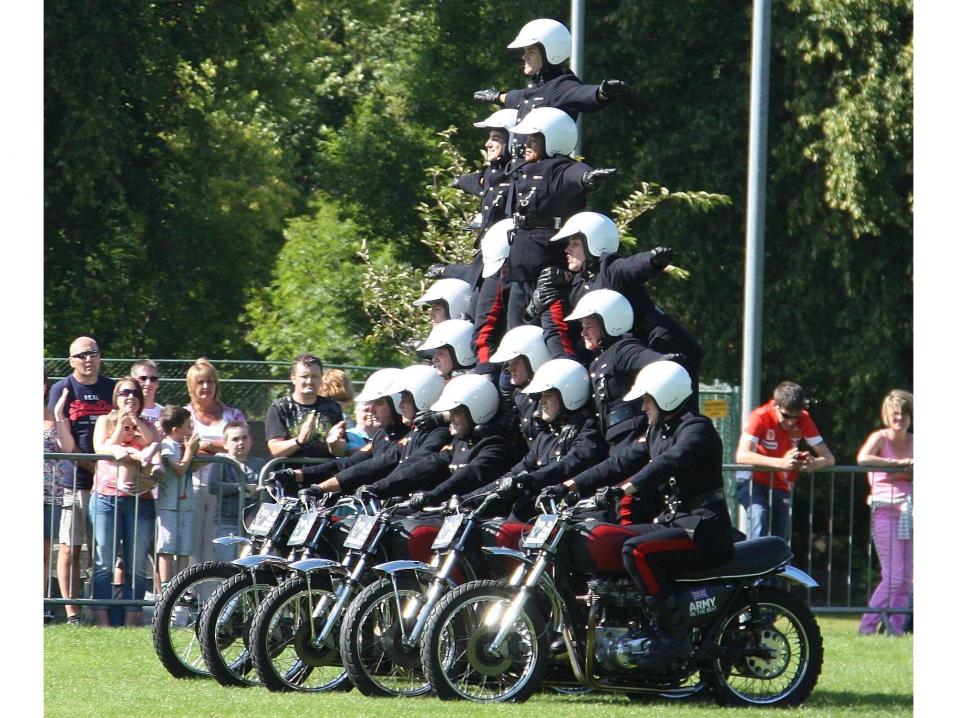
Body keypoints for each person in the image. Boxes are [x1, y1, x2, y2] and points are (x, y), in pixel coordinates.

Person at [564, 361, 735, 670]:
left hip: (704, 528)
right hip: (676, 523)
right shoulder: (658, 430)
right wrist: (572, 484)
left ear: (665, 396)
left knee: (637, 550)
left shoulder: (697, 429)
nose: (643, 407)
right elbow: (619, 462)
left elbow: (669, 462)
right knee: (615, 540)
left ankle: (673, 637)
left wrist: (627, 489)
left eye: (647, 399)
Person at [544, 211, 703, 394]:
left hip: (661, 339)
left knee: (674, 400)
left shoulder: (610, 268)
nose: (567, 250)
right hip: (631, 349)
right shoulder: (579, 283)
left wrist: (652, 260)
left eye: (575, 244)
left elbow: (631, 267)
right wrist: (537, 305)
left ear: (593, 243)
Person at [502, 107, 615, 357]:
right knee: (515, 337)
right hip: (520, 267)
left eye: (533, 139)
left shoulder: (559, 168)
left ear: (551, 140)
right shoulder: (520, 168)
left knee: (555, 337)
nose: (526, 145)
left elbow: (576, 174)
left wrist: (589, 177)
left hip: (548, 269)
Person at [482, 358, 605, 521]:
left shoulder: (588, 431)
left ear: (569, 394)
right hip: (541, 511)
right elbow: (517, 471)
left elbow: (570, 463)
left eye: (548, 395)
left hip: (573, 512)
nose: (541, 401)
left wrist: (531, 480)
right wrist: (472, 496)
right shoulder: (545, 436)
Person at [47, 336, 115, 625]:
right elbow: (62, 436)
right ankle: (72, 612)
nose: (89, 359)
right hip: (74, 479)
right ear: (71, 360)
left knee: (104, 551)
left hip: (108, 483)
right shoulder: (63, 388)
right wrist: (89, 463)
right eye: (82, 355)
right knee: (70, 547)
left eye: (94, 353)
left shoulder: (112, 388)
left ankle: (103, 611)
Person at [89, 377, 162, 627]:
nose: (129, 397)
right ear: (115, 397)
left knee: (137, 564)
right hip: (105, 498)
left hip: (140, 500)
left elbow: (150, 445)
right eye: (124, 393)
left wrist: (136, 423)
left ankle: (132, 620)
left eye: (134, 393)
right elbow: (101, 447)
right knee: (103, 562)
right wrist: (122, 427)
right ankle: (102, 621)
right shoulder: (104, 421)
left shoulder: (148, 425)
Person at [275, 368, 408, 493]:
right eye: (370, 402)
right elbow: (348, 464)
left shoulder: (411, 436)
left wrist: (320, 488)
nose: (371, 409)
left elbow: (371, 467)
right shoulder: (383, 436)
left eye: (378, 402)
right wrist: (295, 474)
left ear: (397, 402)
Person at [473, 18, 626, 123]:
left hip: (547, 168)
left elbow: (581, 94)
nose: (524, 57)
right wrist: (497, 97)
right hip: (522, 166)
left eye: (530, 51)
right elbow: (521, 96)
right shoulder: (539, 85)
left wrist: (601, 93)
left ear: (550, 51)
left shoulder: (561, 85)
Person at [735, 381, 835, 541]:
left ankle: (776, 566)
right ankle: (754, 564)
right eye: (786, 416)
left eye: (796, 416)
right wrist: (781, 463)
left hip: (781, 484)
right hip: (752, 480)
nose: (791, 422)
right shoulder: (760, 416)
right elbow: (742, 456)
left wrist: (812, 463)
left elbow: (829, 458)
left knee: (780, 538)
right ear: (775, 406)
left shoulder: (804, 418)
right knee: (759, 516)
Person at [857, 390, 914, 636]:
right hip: (884, 510)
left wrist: (901, 473)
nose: (899, 418)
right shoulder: (879, 438)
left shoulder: (915, 440)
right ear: (887, 416)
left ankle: (896, 628)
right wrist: (898, 466)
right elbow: (862, 459)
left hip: (911, 510)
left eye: (903, 414)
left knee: (908, 577)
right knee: (893, 575)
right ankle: (867, 627)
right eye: (895, 414)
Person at [183, 358, 247, 565]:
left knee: (216, 543)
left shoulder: (232, 414)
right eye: (200, 382)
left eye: (210, 382)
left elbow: (242, 441)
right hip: (193, 485)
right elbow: (185, 447)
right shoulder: (186, 414)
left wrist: (205, 446)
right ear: (191, 386)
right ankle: (190, 593)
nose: (206, 387)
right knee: (192, 543)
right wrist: (221, 445)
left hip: (225, 489)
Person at [265, 354, 346, 460]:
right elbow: (275, 450)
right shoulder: (279, 407)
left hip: (326, 473)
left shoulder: (333, 407)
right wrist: (299, 440)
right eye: (304, 376)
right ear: (293, 378)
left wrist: (333, 443)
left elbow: (341, 451)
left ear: (321, 378)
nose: (309, 381)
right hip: (291, 473)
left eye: (314, 376)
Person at [155, 405, 200, 589]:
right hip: (169, 505)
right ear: (176, 430)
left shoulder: (183, 445)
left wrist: (193, 451)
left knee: (184, 549)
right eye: (188, 426)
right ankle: (167, 585)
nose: (191, 429)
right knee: (167, 547)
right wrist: (189, 451)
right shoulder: (168, 445)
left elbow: (192, 467)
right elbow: (179, 469)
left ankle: (181, 585)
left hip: (186, 504)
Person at [208, 421, 264, 561]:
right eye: (235, 439)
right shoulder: (221, 461)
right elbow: (213, 486)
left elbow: (267, 493)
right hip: (227, 520)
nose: (241, 442)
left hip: (253, 523)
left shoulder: (260, 464)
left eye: (245, 438)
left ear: (251, 440)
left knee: (250, 563)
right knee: (227, 564)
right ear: (225, 444)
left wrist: (255, 514)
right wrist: (241, 487)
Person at [44, 376, 76, 619]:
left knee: (43, 554)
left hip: (50, 496)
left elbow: (67, 446)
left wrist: (58, 413)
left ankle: (42, 606)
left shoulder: (51, 416)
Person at [489, 324, 551, 446]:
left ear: (535, 358)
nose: (510, 368)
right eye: (509, 362)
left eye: (516, 362)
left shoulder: (552, 396)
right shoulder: (519, 396)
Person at [319, 368, 369, 453]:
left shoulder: (347, 421)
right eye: (330, 399)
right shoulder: (322, 419)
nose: (335, 406)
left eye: (341, 399)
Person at [131, 359, 164, 428]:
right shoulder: (125, 412)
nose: (148, 383)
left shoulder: (165, 414)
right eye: (143, 378)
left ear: (157, 383)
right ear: (132, 381)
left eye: (153, 379)